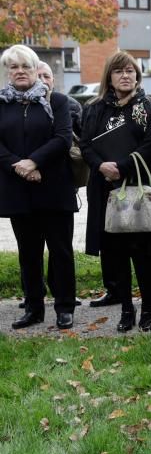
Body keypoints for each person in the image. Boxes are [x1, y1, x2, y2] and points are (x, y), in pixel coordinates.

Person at [80, 51, 151, 332]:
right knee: (115, 253)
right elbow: (85, 146)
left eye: (131, 70)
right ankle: (126, 310)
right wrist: (102, 166)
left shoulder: (150, 107)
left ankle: (149, 309)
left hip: (138, 186)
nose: (126, 75)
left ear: (138, 75)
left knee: (144, 253)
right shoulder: (94, 108)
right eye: (119, 71)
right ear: (110, 76)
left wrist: (122, 166)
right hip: (105, 188)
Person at [1, 45, 76, 330]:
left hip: (54, 188)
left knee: (61, 251)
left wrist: (33, 162)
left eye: (26, 67)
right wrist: (18, 166)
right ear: (8, 72)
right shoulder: (1, 104)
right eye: (14, 67)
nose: (20, 72)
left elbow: (63, 138)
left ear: (36, 70)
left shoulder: (56, 101)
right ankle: (33, 308)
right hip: (18, 191)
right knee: (28, 253)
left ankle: (65, 307)